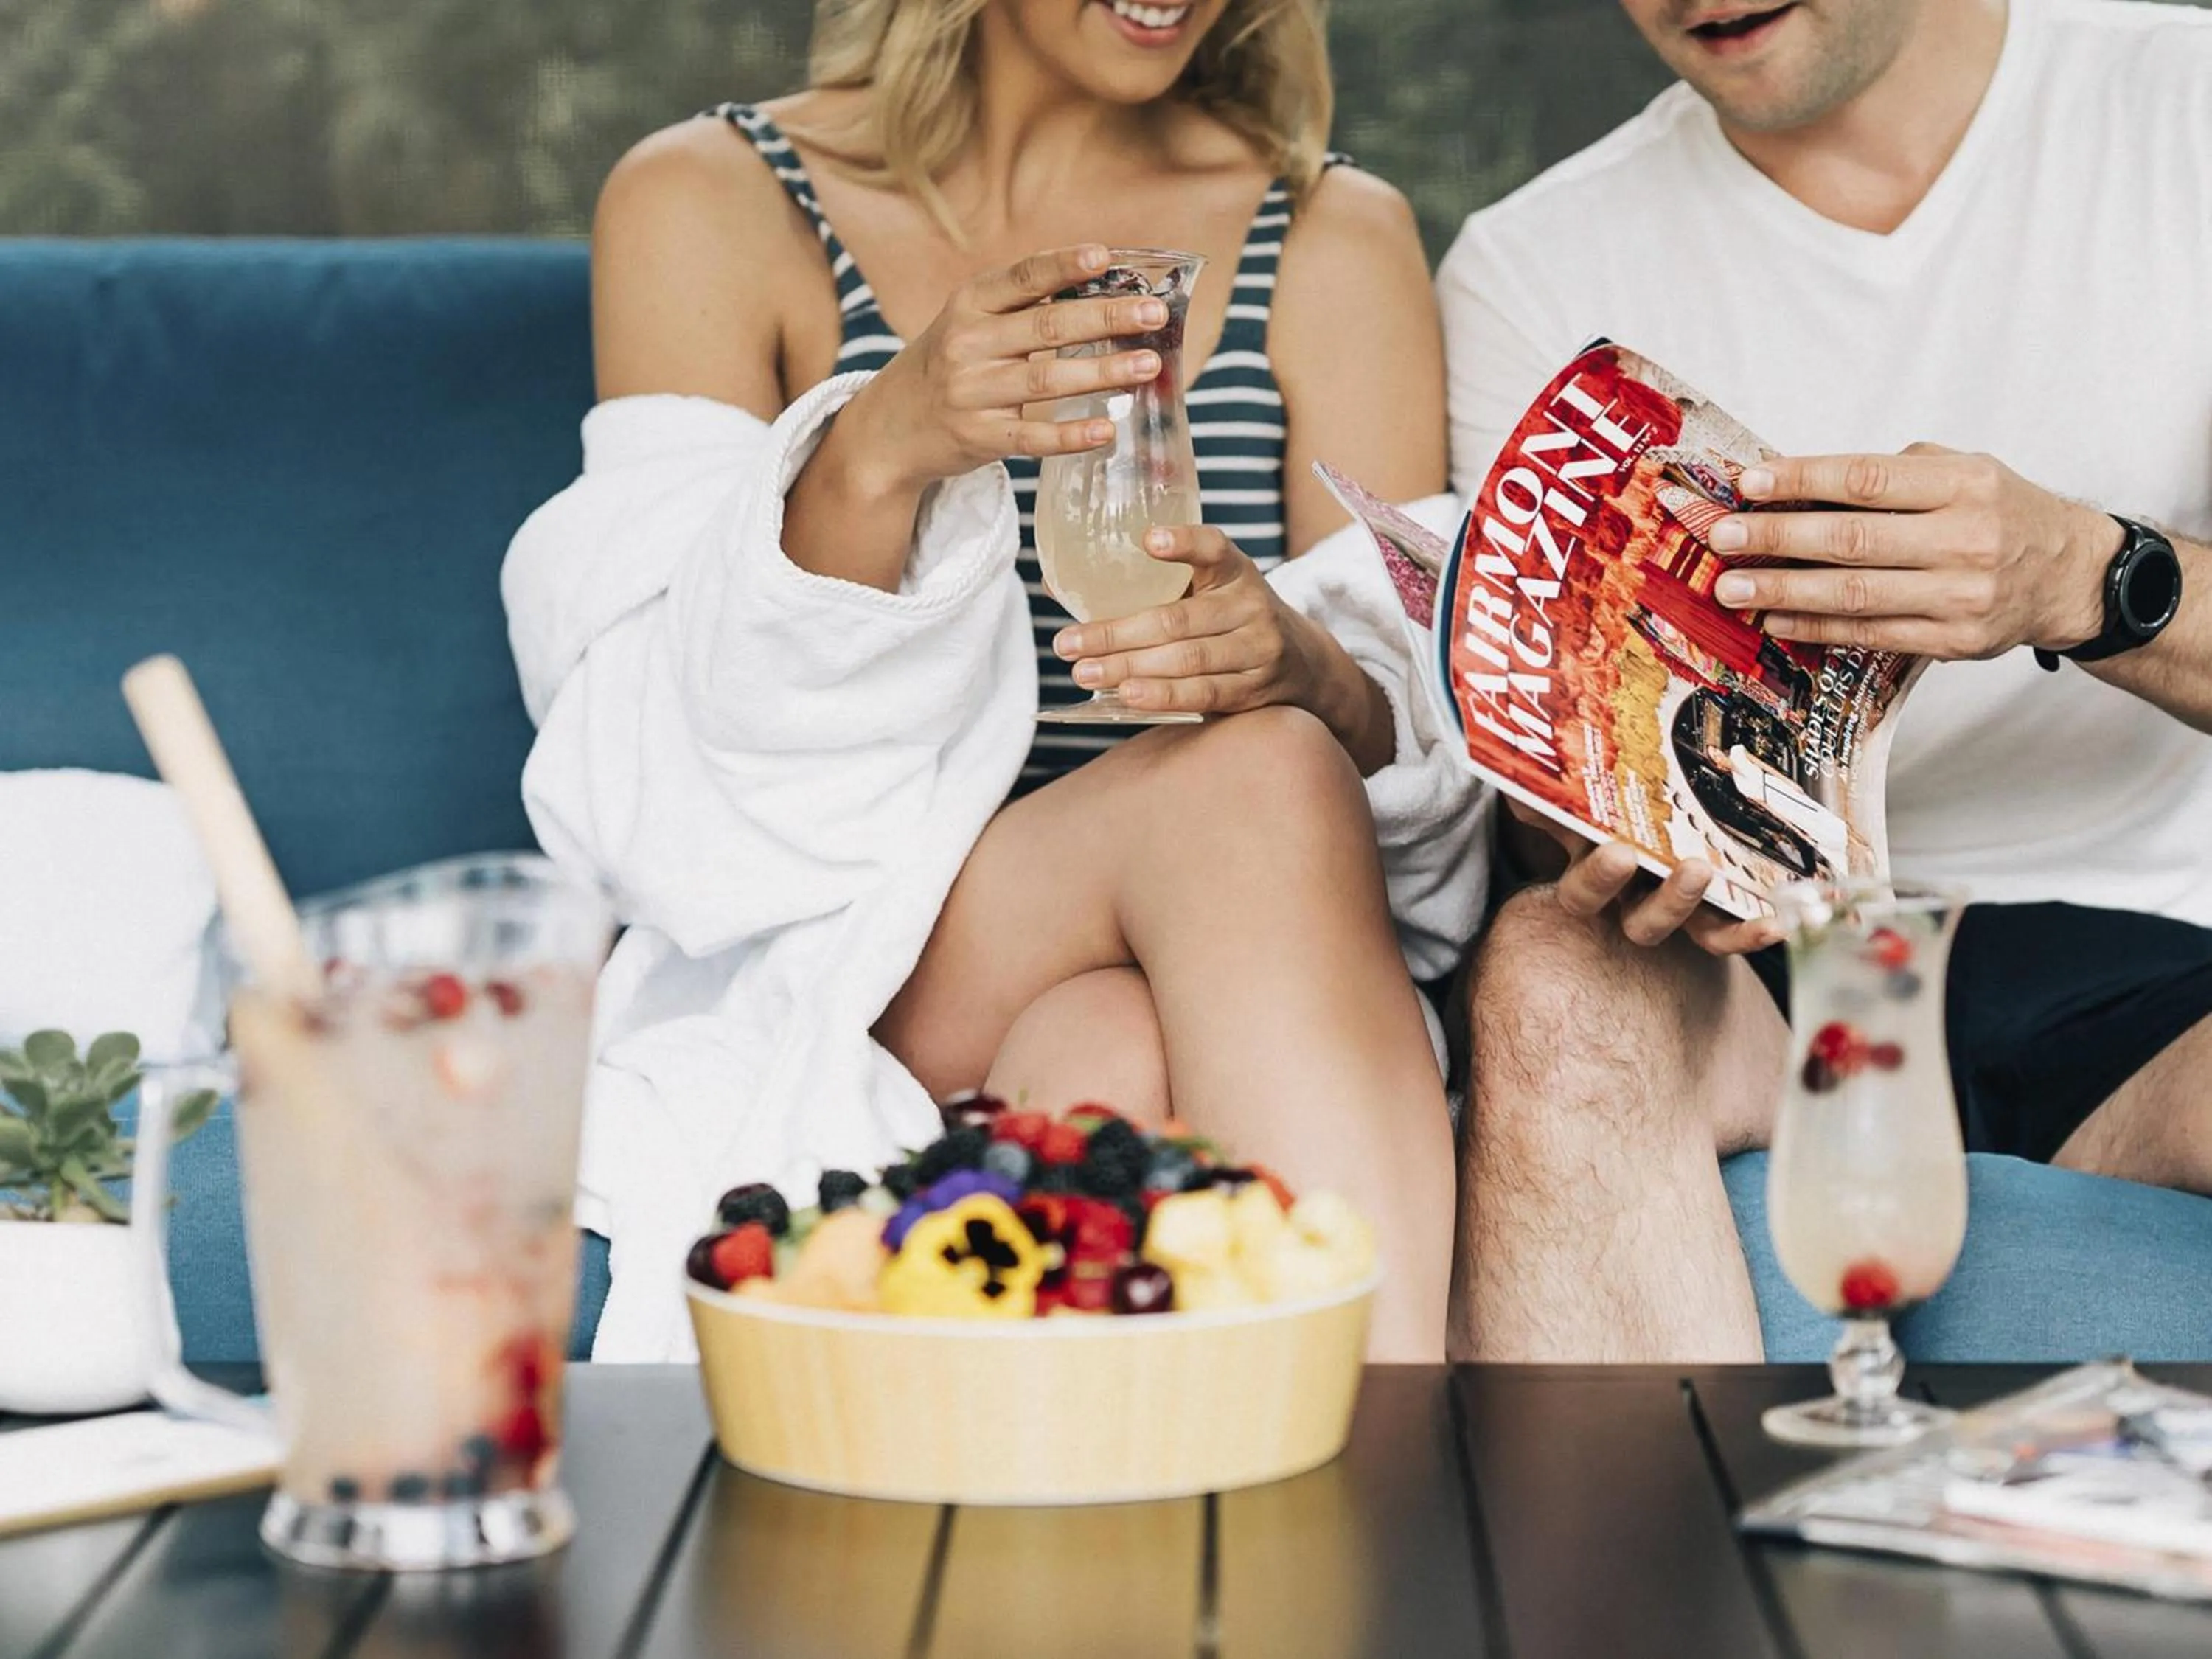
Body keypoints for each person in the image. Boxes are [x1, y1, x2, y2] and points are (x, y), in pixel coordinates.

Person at [513, 0, 1486, 1358]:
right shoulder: (715, 199)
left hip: (1243, 950)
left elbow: (1428, 719)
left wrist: (1306, 665)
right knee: (1251, 777)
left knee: (1109, 1044)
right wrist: (882, 444)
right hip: (892, 953)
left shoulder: (1331, 237)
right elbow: (670, 757)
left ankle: (1139, 1537)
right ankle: (1391, 1496)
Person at [1437, 0, 2212, 1360]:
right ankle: (1613, 1573)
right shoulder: (1533, 262)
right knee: (1550, 972)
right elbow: (1523, 798)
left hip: (2168, 957)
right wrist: (1604, 814)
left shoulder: (2179, 102)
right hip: (1765, 976)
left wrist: (2095, 579)